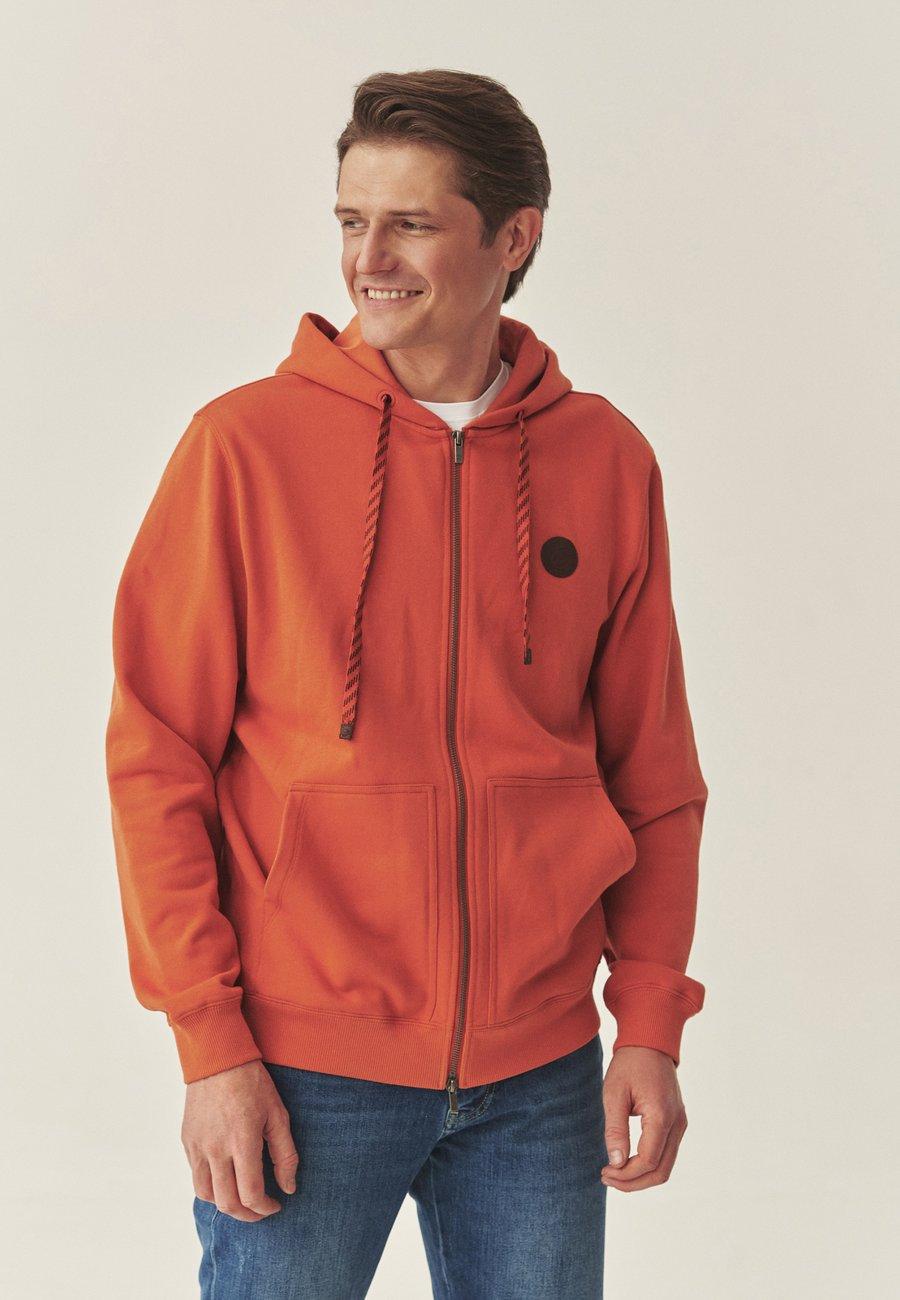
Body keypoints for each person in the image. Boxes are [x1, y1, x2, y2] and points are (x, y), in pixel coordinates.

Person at [105, 68, 709, 1299]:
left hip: (539, 1071)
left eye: (411, 224)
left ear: (513, 237)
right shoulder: (245, 449)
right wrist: (210, 1045)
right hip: (303, 1064)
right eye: (350, 221)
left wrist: (647, 1018)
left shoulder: (604, 460)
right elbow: (156, 758)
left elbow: (653, 773)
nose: (366, 260)